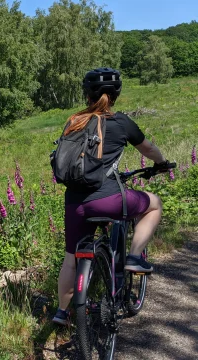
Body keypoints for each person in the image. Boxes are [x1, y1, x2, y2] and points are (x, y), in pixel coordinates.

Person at [52, 68, 169, 326]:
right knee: (154, 205)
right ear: (116, 94)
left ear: (87, 94)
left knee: (71, 257)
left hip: (75, 204)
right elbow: (148, 149)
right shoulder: (121, 122)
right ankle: (135, 257)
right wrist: (161, 163)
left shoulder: (74, 122)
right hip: (109, 199)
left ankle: (62, 312)